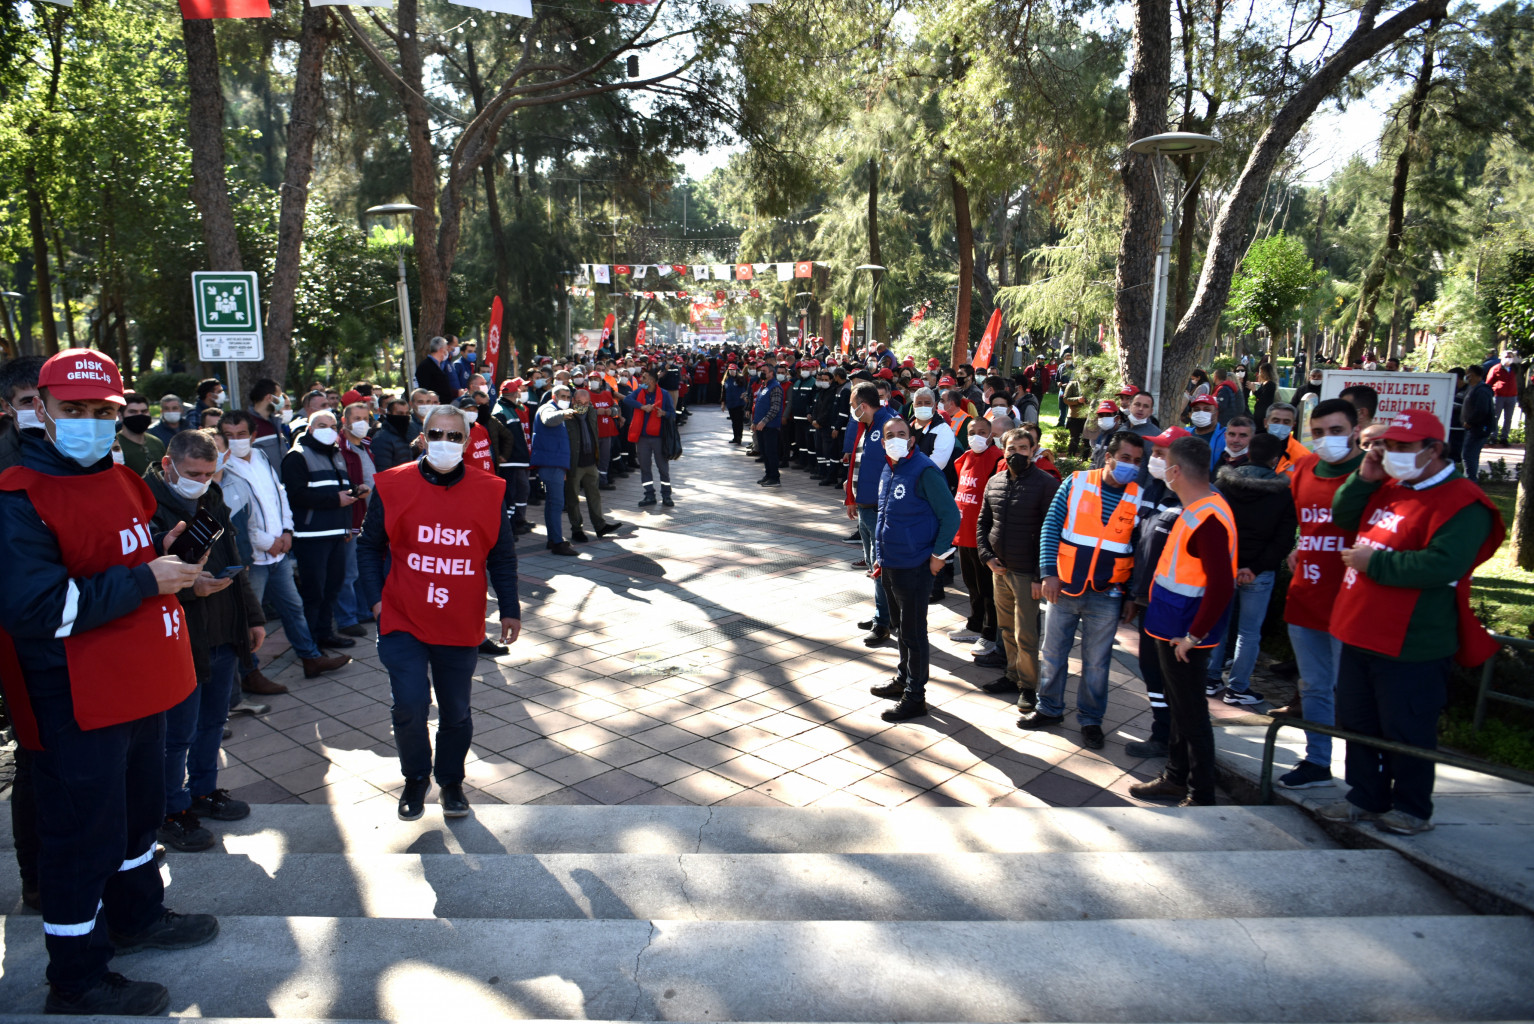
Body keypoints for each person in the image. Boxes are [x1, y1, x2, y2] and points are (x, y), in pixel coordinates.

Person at [0, 349, 217, 1015]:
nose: (90, 423)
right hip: (74, 699)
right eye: (74, 411)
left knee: (134, 819)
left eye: (103, 412)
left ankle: (138, 915)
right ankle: (77, 976)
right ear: (40, 409)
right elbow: (37, 609)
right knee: (81, 838)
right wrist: (146, 580)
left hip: (140, 685)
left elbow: (138, 552)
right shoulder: (17, 494)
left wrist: (174, 558)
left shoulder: (122, 476)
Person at [1321, 408, 1503, 835]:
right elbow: (1345, 516)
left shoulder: (1464, 502)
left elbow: (1443, 564)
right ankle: (1365, 796)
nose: (1390, 454)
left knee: (1407, 727)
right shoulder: (1389, 484)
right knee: (1358, 721)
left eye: (1402, 447)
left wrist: (1376, 563)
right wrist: (1364, 476)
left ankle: (1412, 808)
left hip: (1411, 639)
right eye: (1386, 445)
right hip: (1359, 627)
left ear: (1434, 449)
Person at [358, 403, 521, 820]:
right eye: (436, 435)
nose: (445, 443)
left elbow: (501, 556)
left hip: (460, 620)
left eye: (454, 436)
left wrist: (509, 609)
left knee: (456, 711)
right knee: (409, 706)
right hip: (402, 618)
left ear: (467, 442)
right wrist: (376, 599)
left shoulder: (489, 488)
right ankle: (415, 779)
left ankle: (451, 782)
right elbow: (369, 545)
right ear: (422, 438)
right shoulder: (393, 484)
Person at [145, 429, 264, 851]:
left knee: (213, 722)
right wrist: (187, 589)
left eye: (210, 473)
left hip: (222, 628)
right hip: (179, 636)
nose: (202, 480)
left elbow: (235, 559)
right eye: (194, 472)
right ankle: (171, 810)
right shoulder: (145, 504)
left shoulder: (213, 498)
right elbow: (139, 577)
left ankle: (203, 790)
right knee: (177, 732)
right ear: (168, 465)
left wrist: (252, 617)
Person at [1130, 434, 1238, 807]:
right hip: (1172, 626)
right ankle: (1175, 778)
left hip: (1186, 635)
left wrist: (1194, 635)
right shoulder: (1196, 506)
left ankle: (1201, 792)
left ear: (1175, 470)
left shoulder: (1208, 517)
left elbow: (1222, 586)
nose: (1155, 463)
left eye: (1161, 457)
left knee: (1192, 715)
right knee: (1181, 709)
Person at [1021, 431, 1145, 748]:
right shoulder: (1076, 482)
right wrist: (1048, 573)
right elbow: (1050, 526)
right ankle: (1049, 709)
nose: (1131, 466)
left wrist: (1131, 595)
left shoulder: (1138, 497)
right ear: (1109, 457)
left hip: (1107, 593)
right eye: (1125, 458)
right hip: (1063, 586)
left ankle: (1091, 720)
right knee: (1052, 654)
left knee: (1097, 663)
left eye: (1137, 461)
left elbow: (1138, 551)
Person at [1267, 397, 1364, 783]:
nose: (1327, 440)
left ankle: (1363, 772)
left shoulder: (1375, 473)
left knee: (1355, 694)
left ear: (1356, 430)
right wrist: (1298, 547)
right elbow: (1307, 522)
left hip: (1354, 602)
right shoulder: (1305, 466)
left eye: (1337, 431)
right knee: (1313, 686)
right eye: (1319, 433)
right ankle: (1318, 760)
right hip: (1307, 596)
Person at [220, 410, 349, 685]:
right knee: (250, 617)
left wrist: (288, 531)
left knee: (294, 608)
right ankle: (249, 672)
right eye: (228, 436)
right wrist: (269, 542)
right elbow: (237, 517)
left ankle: (310, 657)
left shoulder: (261, 457)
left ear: (253, 436)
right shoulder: (223, 469)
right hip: (254, 557)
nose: (235, 441)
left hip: (279, 551)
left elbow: (279, 496)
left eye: (241, 435)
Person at [866, 415, 960, 722]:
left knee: (914, 632)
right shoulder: (889, 468)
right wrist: (879, 556)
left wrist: (938, 557)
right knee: (900, 628)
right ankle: (903, 679)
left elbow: (950, 516)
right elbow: (884, 516)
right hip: (891, 563)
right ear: (883, 442)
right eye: (889, 434)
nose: (894, 438)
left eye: (901, 433)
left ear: (911, 440)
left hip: (916, 565)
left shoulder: (924, 470)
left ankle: (915, 696)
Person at [1203, 433, 1295, 706]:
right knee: (1249, 632)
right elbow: (1284, 539)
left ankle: (1210, 678)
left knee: (1219, 622)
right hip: (1260, 573)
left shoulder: (1222, 484)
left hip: (1223, 567)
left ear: (1249, 451)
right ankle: (1238, 687)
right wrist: (1254, 568)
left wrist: (1227, 564)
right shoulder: (1283, 492)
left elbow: (1211, 526)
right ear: (1275, 460)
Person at [975, 426, 1060, 709]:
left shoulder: (1046, 484)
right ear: (1004, 450)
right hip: (1000, 570)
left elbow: (1052, 532)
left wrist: (1040, 575)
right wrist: (987, 556)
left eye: (1024, 448)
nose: (1017, 454)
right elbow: (983, 522)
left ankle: (1028, 685)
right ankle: (1012, 675)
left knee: (1026, 634)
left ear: (1034, 450)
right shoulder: (995, 481)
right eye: (1012, 449)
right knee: (1006, 629)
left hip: (1028, 574)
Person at [281, 408, 359, 651]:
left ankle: (325, 633)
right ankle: (310, 643)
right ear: (311, 429)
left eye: (333, 426)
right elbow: (296, 495)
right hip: (311, 535)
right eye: (322, 425)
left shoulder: (335, 454)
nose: (329, 430)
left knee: (332, 587)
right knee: (314, 592)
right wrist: (335, 500)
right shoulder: (297, 455)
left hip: (337, 531)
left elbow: (336, 487)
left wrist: (356, 491)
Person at [844, 382, 898, 645]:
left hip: (880, 509)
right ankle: (883, 613)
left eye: (854, 407)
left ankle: (884, 621)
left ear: (863, 405)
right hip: (864, 506)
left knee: (879, 567)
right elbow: (860, 463)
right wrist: (850, 497)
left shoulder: (890, 425)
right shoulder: (867, 427)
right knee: (871, 563)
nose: (853, 411)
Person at [949, 415, 1004, 652]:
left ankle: (990, 633)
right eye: (972, 432)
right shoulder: (965, 458)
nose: (976, 437)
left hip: (983, 535)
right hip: (964, 532)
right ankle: (974, 624)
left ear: (991, 435)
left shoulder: (997, 459)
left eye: (982, 432)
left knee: (987, 588)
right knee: (971, 583)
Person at [564, 388, 620, 540]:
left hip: (590, 461)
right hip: (574, 464)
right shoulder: (566, 415)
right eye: (580, 402)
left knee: (594, 495)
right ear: (573, 401)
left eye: (587, 403)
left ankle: (600, 526)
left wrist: (612, 410)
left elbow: (616, 409)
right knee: (573, 499)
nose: (583, 405)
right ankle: (576, 529)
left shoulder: (591, 411)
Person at [531, 384, 578, 555]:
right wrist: (563, 413)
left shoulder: (557, 411)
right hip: (550, 465)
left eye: (568, 397)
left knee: (553, 504)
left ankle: (554, 539)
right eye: (562, 396)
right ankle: (557, 542)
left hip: (555, 465)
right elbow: (548, 419)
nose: (566, 400)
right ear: (554, 397)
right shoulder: (548, 408)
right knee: (556, 504)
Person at [623, 366, 676, 507]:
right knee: (645, 468)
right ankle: (649, 495)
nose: (641, 380)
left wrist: (663, 414)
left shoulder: (664, 394)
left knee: (663, 468)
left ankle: (666, 496)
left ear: (652, 381)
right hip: (642, 439)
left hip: (659, 438)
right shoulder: (640, 392)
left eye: (644, 378)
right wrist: (642, 407)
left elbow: (673, 414)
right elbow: (627, 400)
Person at [1458, 363, 1495, 482]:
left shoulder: (1482, 390)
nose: (1466, 376)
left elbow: (1482, 410)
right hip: (1472, 428)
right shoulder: (1472, 388)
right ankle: (1469, 480)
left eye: (1467, 373)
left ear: (1472, 375)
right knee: (1470, 455)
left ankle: (1470, 481)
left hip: (1477, 429)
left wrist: (1470, 421)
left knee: (1468, 455)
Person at [752, 360, 785, 486]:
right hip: (760, 426)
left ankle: (775, 477)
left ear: (771, 373)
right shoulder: (763, 386)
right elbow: (759, 405)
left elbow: (775, 408)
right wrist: (755, 422)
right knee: (764, 452)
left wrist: (764, 421)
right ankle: (768, 474)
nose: (761, 373)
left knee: (771, 452)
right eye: (761, 371)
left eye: (764, 371)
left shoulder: (775, 387)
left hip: (770, 426)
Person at [115, 393, 166, 476]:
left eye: (144, 411)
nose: (139, 415)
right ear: (120, 415)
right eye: (133, 412)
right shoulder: (115, 446)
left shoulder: (157, 442)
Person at [371, 396, 420, 472]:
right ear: (389, 414)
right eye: (400, 413)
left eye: (407, 413)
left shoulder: (403, 434)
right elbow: (383, 471)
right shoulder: (382, 438)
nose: (404, 417)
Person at [1485, 349, 1521, 445]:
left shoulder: (1515, 369)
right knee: (1495, 417)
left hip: (1512, 397)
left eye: (1510, 357)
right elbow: (1488, 383)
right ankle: (1493, 436)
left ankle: (1504, 437)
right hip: (1498, 396)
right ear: (1501, 357)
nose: (1508, 359)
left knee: (1508, 418)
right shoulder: (1496, 368)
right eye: (1506, 356)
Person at [415, 336, 458, 405]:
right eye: (446, 349)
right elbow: (424, 388)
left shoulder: (439, 365)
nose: (447, 352)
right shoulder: (425, 366)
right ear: (441, 350)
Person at [722, 363, 748, 444]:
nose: (731, 371)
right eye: (730, 370)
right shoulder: (726, 380)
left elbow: (743, 384)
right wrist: (723, 403)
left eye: (733, 370)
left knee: (739, 421)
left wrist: (737, 376)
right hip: (730, 404)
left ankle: (739, 436)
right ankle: (735, 436)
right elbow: (724, 392)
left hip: (739, 404)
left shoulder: (740, 378)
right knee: (734, 421)